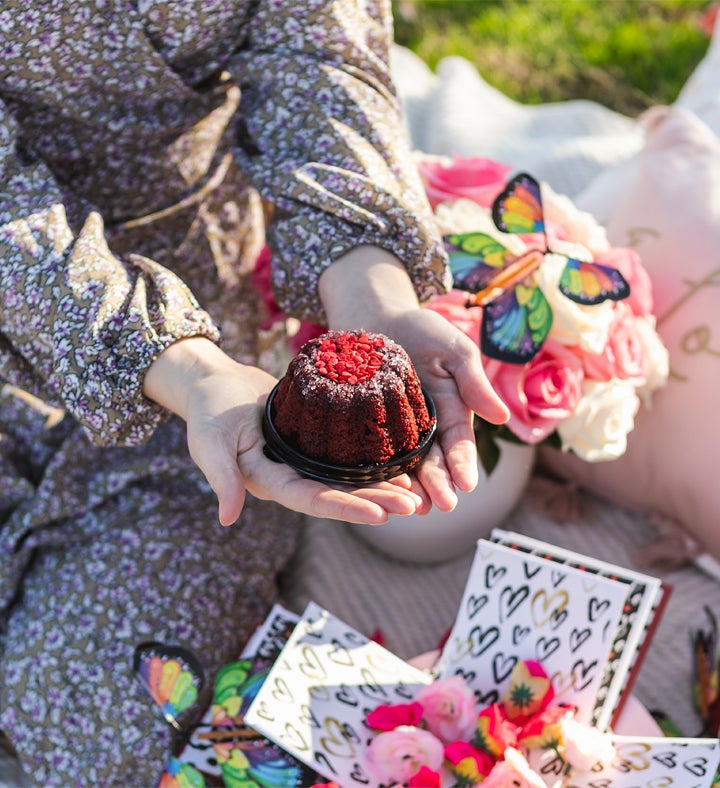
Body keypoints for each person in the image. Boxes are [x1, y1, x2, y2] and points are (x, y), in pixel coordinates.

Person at [0, 1, 508, 784]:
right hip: (47, 320)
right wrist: (167, 355)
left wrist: (374, 299)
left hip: (209, 391)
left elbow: (319, 63)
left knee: (121, 724)